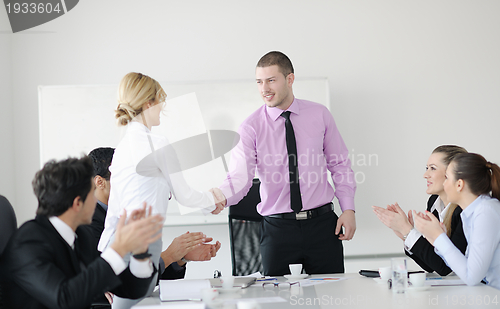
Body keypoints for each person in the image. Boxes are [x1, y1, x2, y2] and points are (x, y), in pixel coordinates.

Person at [211, 51, 356, 276]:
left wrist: (348, 209)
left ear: (290, 79)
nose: (264, 89)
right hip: (278, 230)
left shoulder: (319, 114)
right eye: (259, 82)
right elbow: (240, 177)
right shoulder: (251, 127)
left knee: (332, 296)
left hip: (322, 225)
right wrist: (222, 197)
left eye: (271, 80)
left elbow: (339, 164)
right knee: (275, 300)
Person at [98, 73, 220, 308]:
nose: (162, 107)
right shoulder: (158, 144)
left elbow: (112, 215)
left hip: (116, 248)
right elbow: (185, 195)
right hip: (141, 248)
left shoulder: (122, 149)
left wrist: (104, 266)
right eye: (160, 100)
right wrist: (214, 201)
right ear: (148, 104)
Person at [0, 157, 163, 309]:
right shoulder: (28, 243)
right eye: (93, 193)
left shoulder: (81, 236)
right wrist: (117, 250)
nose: (96, 200)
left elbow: (131, 290)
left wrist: (140, 254)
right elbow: (64, 299)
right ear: (78, 203)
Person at [87, 147, 220, 281]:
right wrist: (169, 255)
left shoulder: (127, 215)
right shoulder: (86, 223)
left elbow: (148, 276)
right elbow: (113, 280)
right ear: (100, 182)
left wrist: (180, 257)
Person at [372, 145, 468, 275]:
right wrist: (406, 235)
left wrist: (408, 231)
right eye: (427, 168)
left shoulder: (464, 210)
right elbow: (431, 265)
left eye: (433, 168)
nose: (425, 175)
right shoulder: (434, 202)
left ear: (451, 174)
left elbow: (445, 268)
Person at [414, 153, 500, 289]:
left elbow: (471, 276)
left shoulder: (485, 211)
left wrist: (438, 237)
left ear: (459, 184)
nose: (444, 183)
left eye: (447, 178)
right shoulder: (471, 213)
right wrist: (437, 239)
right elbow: (464, 266)